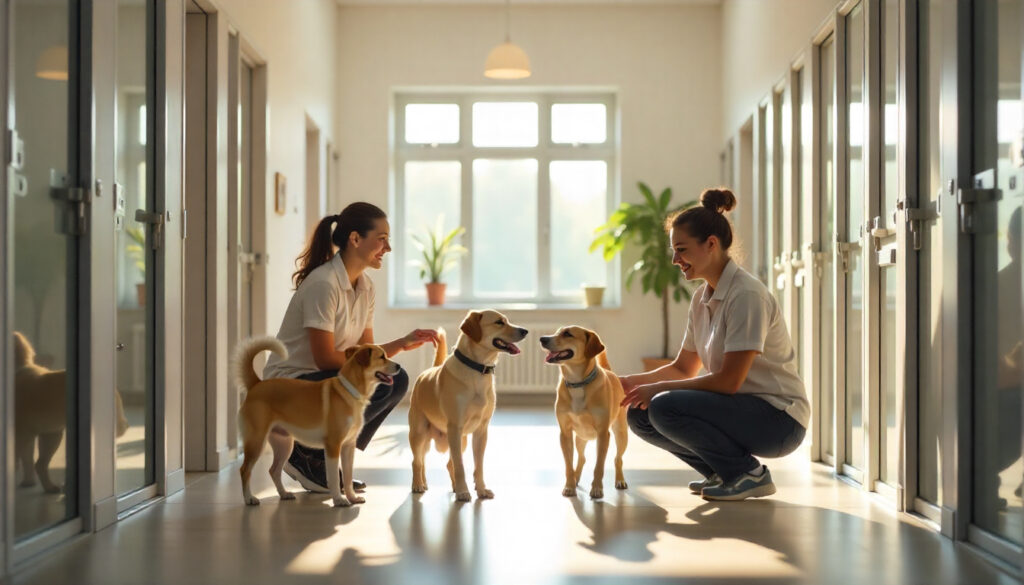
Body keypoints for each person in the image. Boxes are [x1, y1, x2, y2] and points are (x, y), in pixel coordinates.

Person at [618, 188, 808, 501]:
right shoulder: (701, 298)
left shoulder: (746, 295)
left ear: (711, 244)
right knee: (640, 415)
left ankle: (747, 473)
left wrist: (657, 390)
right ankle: (724, 472)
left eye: (681, 249)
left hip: (779, 419)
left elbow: (729, 382)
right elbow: (683, 368)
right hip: (739, 410)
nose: (675, 260)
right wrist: (622, 383)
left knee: (664, 405)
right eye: (674, 251)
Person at [262, 202, 439, 493]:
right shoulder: (324, 284)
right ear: (355, 239)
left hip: (321, 381)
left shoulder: (365, 286)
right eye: (381, 239)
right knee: (375, 383)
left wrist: (402, 343)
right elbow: (324, 359)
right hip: (291, 385)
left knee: (395, 380)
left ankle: (323, 454)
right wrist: (381, 357)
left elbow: (364, 354)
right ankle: (308, 454)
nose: (388, 248)